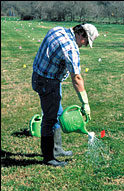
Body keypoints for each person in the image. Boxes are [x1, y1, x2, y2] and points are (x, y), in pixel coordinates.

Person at [32, 23, 99, 167]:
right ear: (81, 34)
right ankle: (49, 157)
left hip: (40, 75)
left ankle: (57, 149)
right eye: (86, 42)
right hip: (47, 82)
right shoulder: (70, 48)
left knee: (57, 113)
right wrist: (85, 103)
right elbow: (77, 78)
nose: (85, 45)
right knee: (50, 119)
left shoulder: (58, 30)